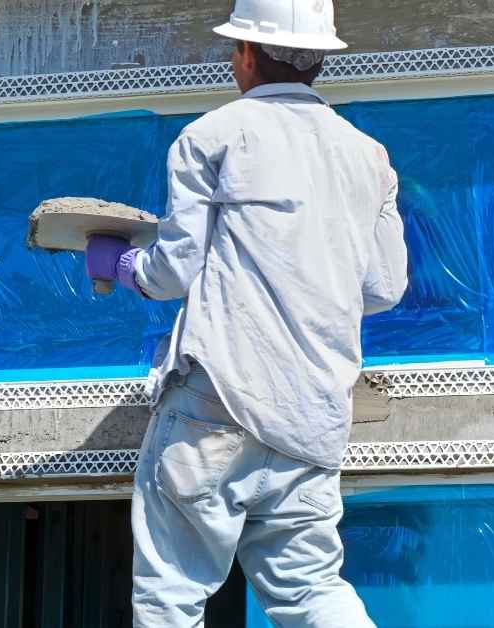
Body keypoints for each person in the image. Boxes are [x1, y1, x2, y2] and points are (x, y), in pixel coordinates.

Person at [85, 0, 408, 625]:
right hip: (311, 418)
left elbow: (174, 271)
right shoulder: (369, 157)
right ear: (318, 59)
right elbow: (385, 287)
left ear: (247, 54)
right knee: (312, 590)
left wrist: (126, 267)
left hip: (216, 406)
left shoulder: (212, 137)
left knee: (171, 596)